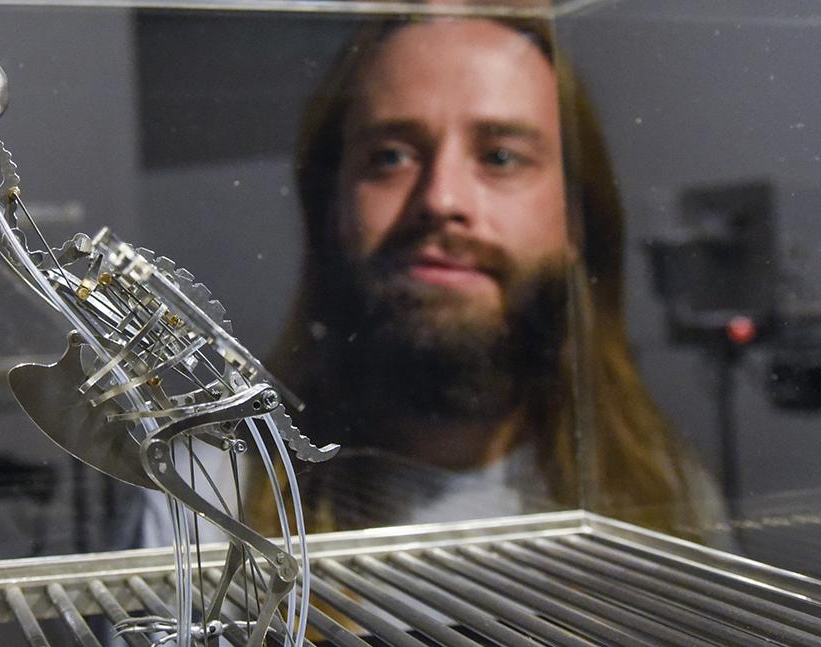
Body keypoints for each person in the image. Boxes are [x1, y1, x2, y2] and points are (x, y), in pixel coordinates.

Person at [253, 14, 721, 540]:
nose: (441, 199)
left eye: (500, 157)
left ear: (575, 218)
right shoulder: (211, 499)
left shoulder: (667, 493)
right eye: (391, 156)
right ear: (332, 208)